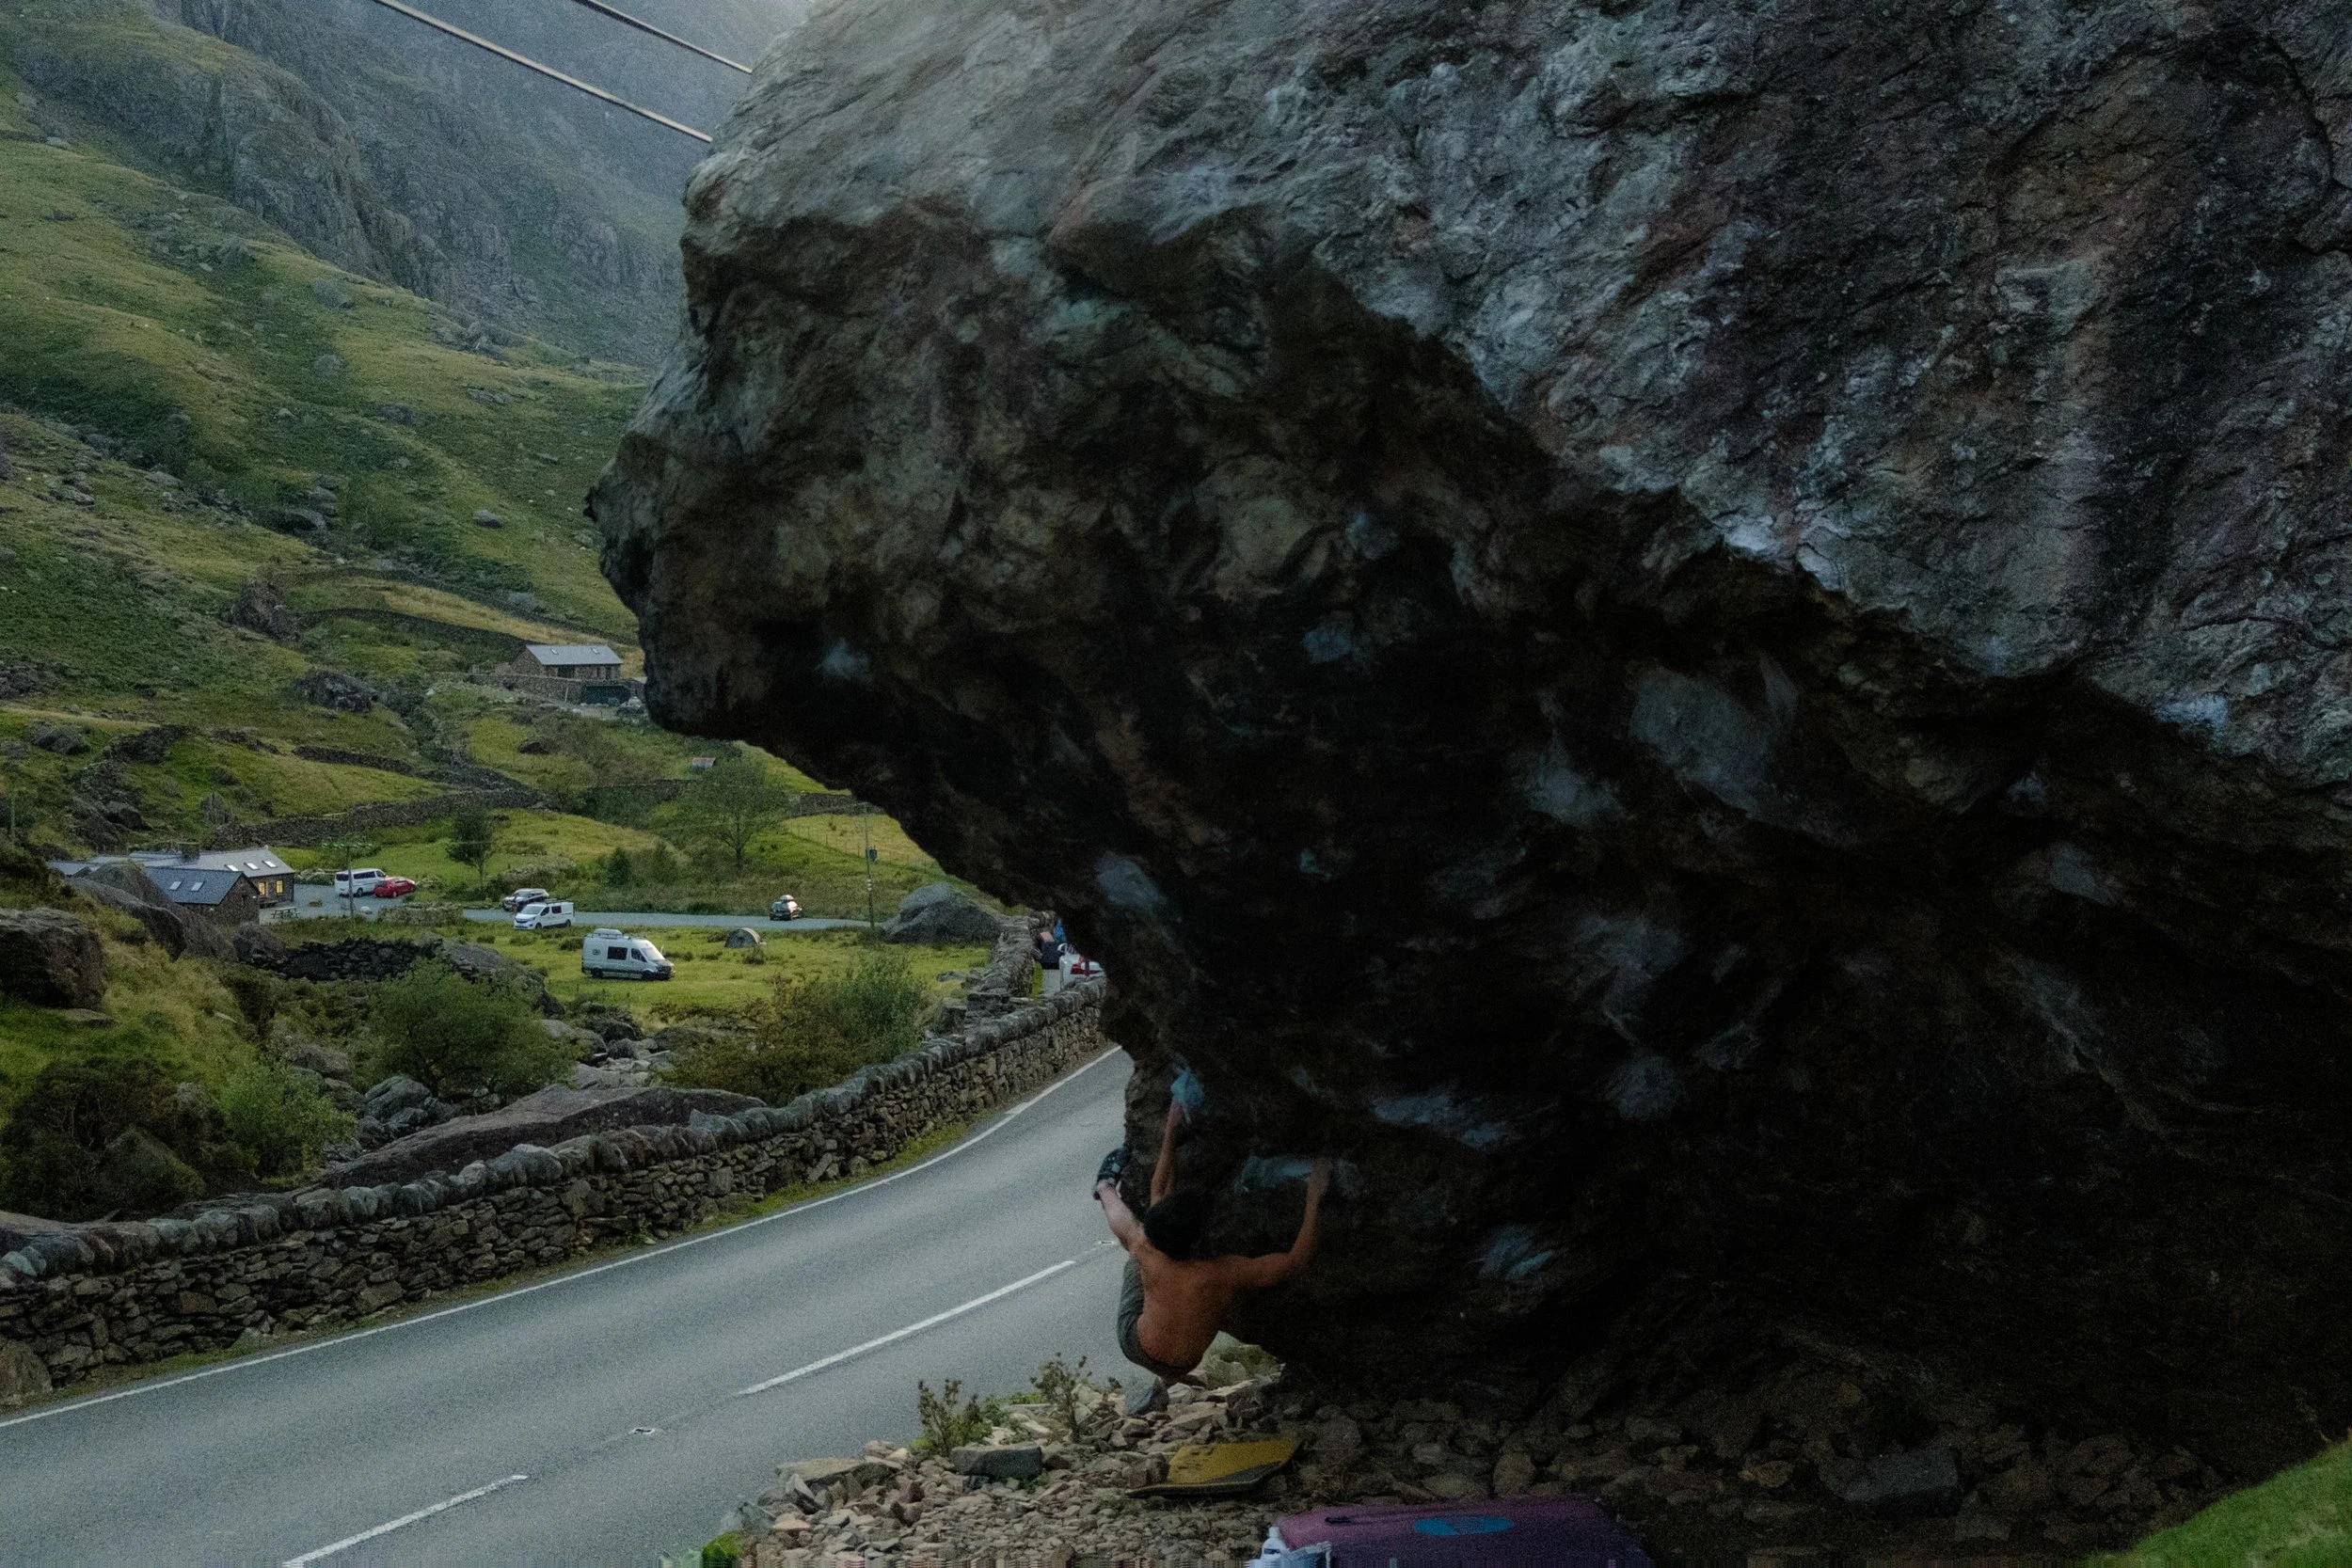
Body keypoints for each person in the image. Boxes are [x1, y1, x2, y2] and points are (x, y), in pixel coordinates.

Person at [1095, 1096, 1331, 1382]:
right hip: (1170, 1356)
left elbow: (1134, 1211)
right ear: (1197, 1242)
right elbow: (1295, 1260)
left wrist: (1170, 1132)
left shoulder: (1149, 1250)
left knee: (1138, 1240)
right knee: (1143, 1245)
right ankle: (1108, 1187)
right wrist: (1315, 1195)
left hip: (1144, 1346)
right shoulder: (1222, 1274)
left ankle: (1104, 1184)